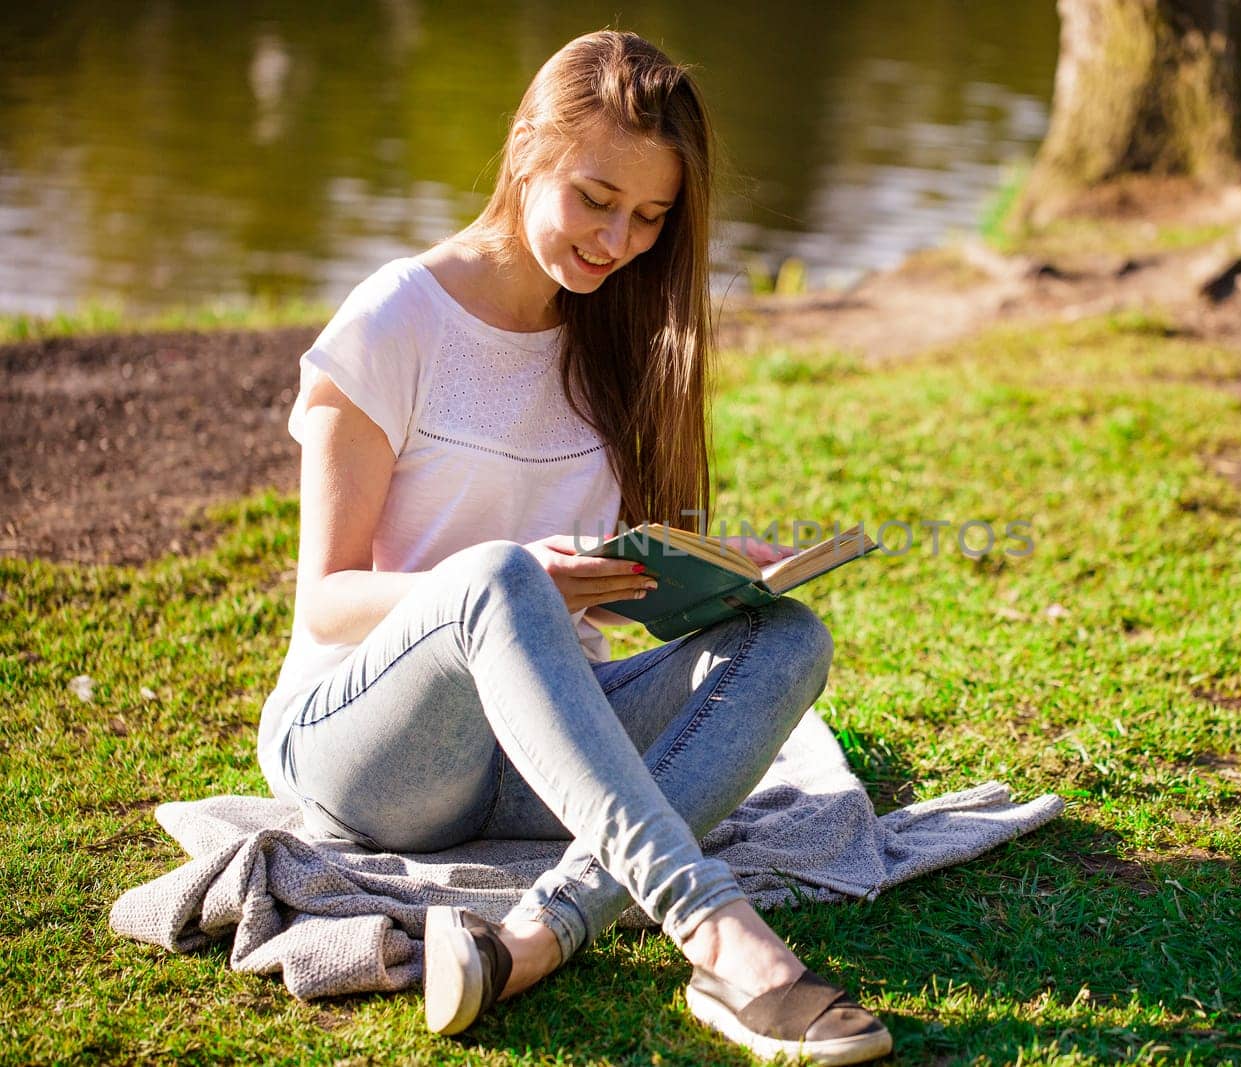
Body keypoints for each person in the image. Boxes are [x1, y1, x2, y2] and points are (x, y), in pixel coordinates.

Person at [254, 29, 892, 1065]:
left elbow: (599, 591)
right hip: (368, 750)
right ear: (525, 151)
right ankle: (720, 933)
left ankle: (541, 933)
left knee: (789, 637)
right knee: (499, 572)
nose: (617, 240)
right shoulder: (395, 319)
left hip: (544, 757)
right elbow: (327, 599)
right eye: (596, 198)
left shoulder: (615, 335)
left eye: (648, 217)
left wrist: (701, 569)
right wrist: (500, 582)